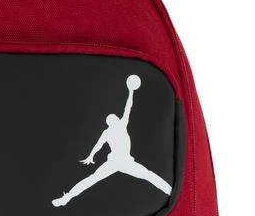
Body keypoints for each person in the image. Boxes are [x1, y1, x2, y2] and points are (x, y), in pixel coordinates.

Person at [52, 74, 172, 207]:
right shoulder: (109, 131)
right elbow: (98, 145)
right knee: (92, 179)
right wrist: (91, 155)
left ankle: (173, 192)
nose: (115, 118)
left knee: (148, 175)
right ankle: (66, 198)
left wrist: (131, 92)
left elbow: (128, 108)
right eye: (112, 118)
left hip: (125, 161)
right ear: (110, 122)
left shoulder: (121, 125)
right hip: (114, 162)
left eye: (114, 117)